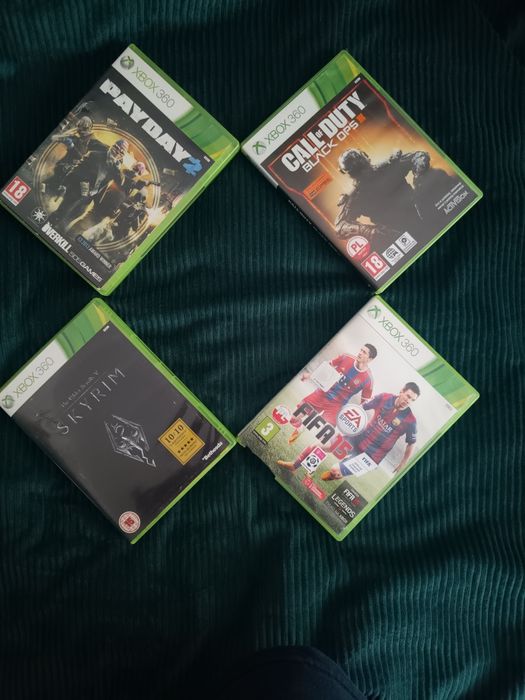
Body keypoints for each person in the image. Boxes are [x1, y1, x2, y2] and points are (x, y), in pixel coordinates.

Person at [321, 382, 420, 480]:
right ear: (402, 391)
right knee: (324, 446)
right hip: (358, 439)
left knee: (335, 470)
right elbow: (361, 408)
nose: (408, 401)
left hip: (372, 456)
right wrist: (347, 423)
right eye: (408, 396)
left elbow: (411, 443)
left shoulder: (410, 420)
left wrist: (403, 463)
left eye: (412, 400)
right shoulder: (384, 397)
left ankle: (336, 472)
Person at [335, 148, 426, 242]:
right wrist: (370, 232)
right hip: (397, 234)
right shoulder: (355, 197)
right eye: (357, 170)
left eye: (361, 167)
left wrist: (419, 178)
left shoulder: (390, 166)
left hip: (422, 213)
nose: (363, 172)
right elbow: (340, 226)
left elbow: (418, 156)